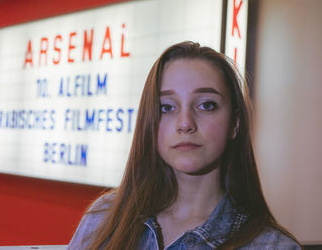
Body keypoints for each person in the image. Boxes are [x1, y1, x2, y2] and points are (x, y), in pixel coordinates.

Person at [68, 41, 301, 249]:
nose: (185, 123)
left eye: (207, 105)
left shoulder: (272, 245)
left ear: (235, 123)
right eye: (166, 107)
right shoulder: (103, 218)